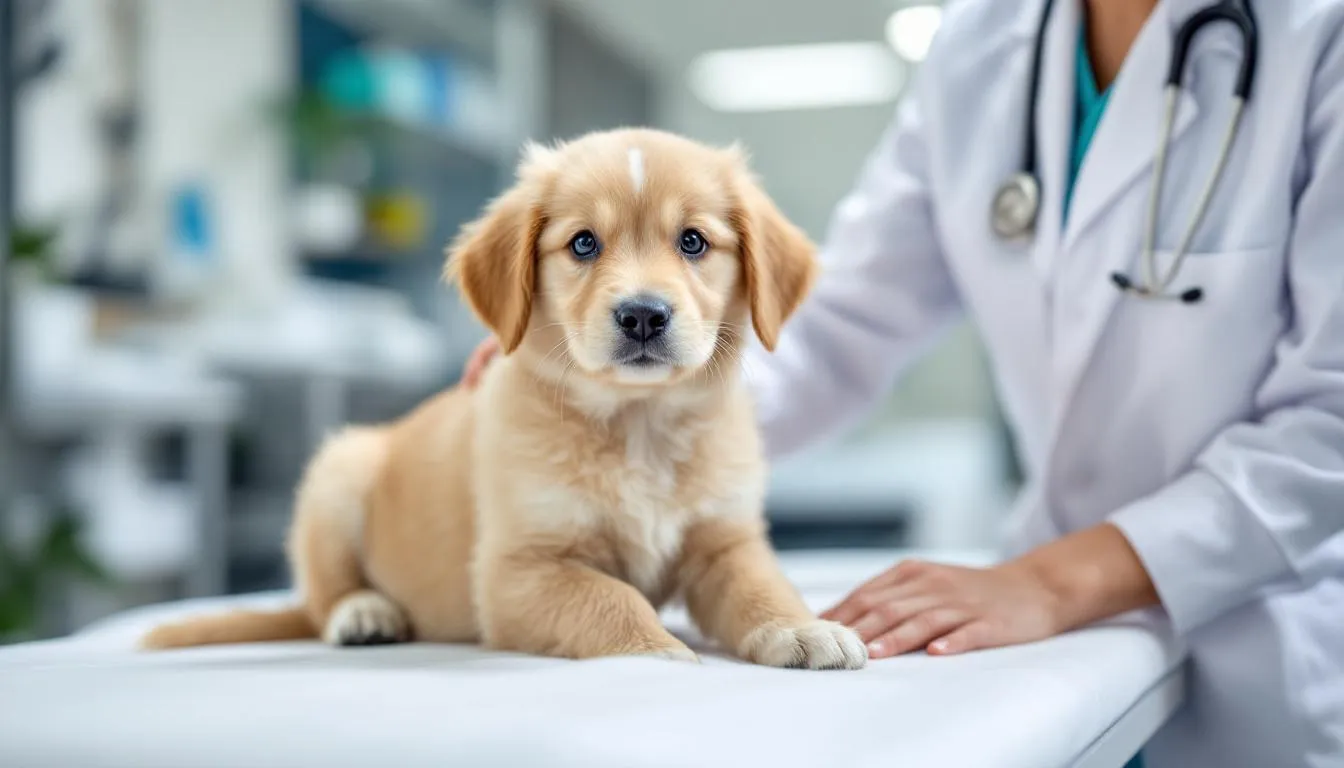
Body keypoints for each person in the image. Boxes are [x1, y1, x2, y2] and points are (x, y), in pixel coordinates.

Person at [460, 0, 1344, 765]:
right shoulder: (982, 42)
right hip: (1063, 659)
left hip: (1263, 628)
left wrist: (1053, 581)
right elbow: (841, 325)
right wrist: (603, 397)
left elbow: (1330, 417)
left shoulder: (1319, 36)